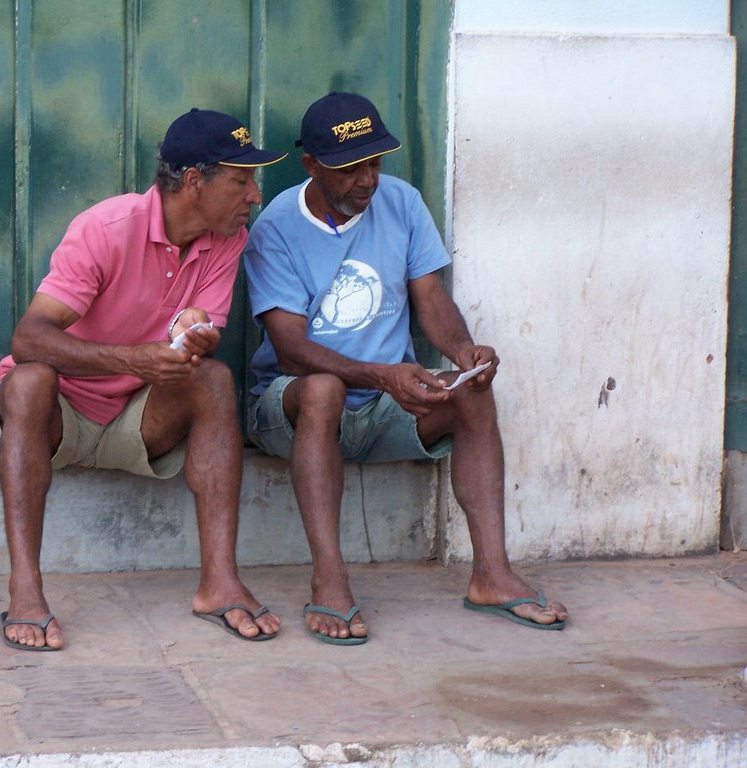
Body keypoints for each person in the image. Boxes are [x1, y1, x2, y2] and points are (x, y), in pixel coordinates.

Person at [243, 92, 568, 645]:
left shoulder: (401, 202)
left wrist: (463, 351)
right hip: (292, 408)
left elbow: (430, 298)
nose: (367, 179)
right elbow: (291, 350)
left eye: (375, 162)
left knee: (470, 392)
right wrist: (382, 374)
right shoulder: (275, 228)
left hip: (385, 405)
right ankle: (330, 580)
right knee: (321, 389)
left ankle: (491, 573)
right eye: (350, 168)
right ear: (312, 166)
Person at [0, 108, 286, 650]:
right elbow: (28, 338)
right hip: (61, 414)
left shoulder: (227, 237)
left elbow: (199, 324)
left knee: (215, 379)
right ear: (194, 181)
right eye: (241, 180)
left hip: (138, 416)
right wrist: (135, 360)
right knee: (29, 380)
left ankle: (219, 583)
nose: (254, 195)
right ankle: (25, 588)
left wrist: (194, 336)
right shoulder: (106, 228)